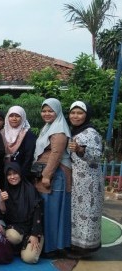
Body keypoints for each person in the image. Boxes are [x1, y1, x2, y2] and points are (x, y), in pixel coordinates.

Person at [33, 98, 72, 257]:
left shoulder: (59, 130)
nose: (47, 114)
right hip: (47, 174)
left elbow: (56, 154)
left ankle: (54, 247)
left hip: (56, 176)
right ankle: (48, 245)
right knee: (47, 210)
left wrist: (47, 176)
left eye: (51, 111)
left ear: (58, 112)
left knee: (53, 211)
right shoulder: (49, 127)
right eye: (44, 110)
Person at [67, 101, 104, 259]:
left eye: (79, 113)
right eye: (73, 113)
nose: (75, 116)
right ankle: (76, 246)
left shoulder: (91, 133)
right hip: (77, 182)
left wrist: (81, 150)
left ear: (86, 115)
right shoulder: (74, 131)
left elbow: (97, 155)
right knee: (76, 215)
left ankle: (85, 249)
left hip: (90, 183)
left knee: (87, 215)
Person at [3, 162, 44, 264]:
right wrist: (0, 201)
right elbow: (2, 215)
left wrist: (35, 234)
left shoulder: (30, 189)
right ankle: (18, 246)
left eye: (15, 173)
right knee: (12, 236)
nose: (12, 177)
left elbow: (37, 213)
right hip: (15, 229)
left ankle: (25, 245)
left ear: (20, 174)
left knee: (30, 258)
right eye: (9, 174)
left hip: (32, 229)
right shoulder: (4, 192)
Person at [0, 106, 37, 181]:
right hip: (4, 172)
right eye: (11, 116)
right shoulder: (1, 133)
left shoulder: (27, 134)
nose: (14, 118)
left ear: (23, 117)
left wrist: (22, 174)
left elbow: (29, 157)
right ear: (7, 117)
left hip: (21, 173)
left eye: (17, 116)